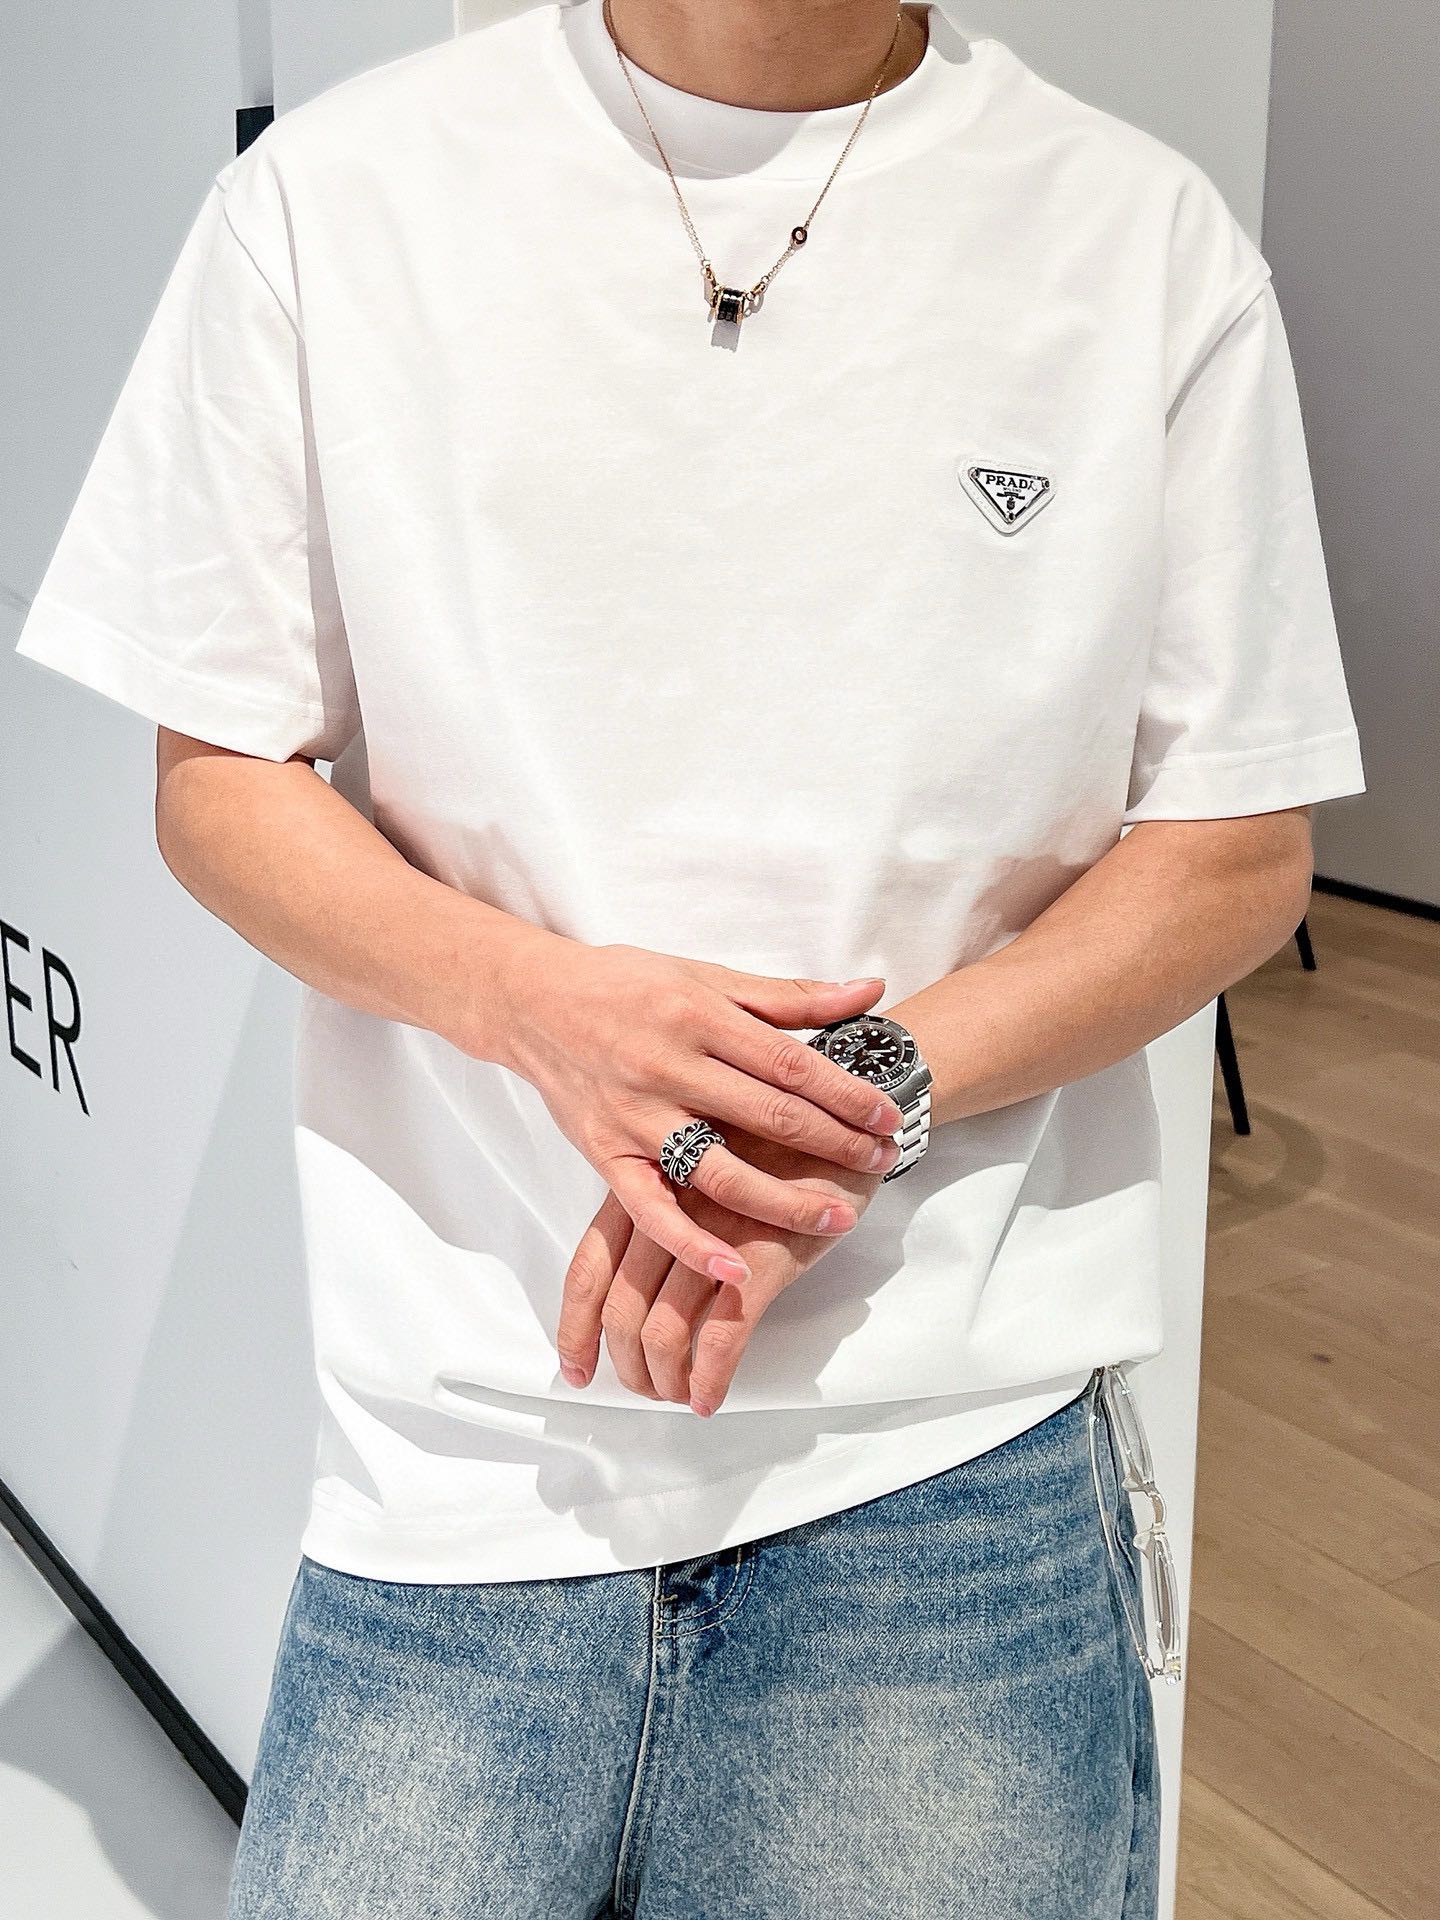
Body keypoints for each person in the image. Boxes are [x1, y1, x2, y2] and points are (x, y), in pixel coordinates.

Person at [13, 0, 1365, 1913]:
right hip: (461, 1454)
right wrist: (544, 1013)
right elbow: (220, 776)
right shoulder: (334, 198)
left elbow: (1236, 847)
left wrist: (849, 1101)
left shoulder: (1139, 240)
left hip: (946, 1459)